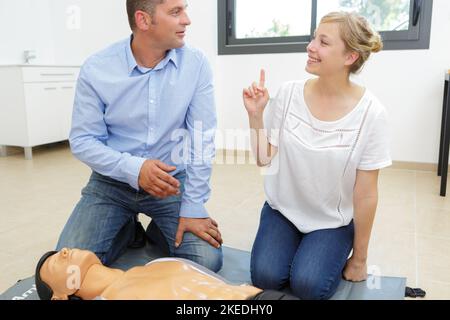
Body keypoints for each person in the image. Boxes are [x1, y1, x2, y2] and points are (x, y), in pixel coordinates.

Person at [56, 0, 222, 272]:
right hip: (112, 183)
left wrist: (192, 207)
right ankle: (127, 228)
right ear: (144, 21)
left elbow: (201, 139)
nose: (187, 20)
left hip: (170, 181)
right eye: (176, 12)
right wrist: (135, 168)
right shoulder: (97, 68)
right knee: (69, 269)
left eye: (185, 9)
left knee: (207, 261)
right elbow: (83, 140)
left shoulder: (196, 64)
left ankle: (159, 229)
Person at [243, 11, 391, 300]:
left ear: (349, 57)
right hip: (282, 210)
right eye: (313, 38)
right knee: (266, 277)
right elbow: (264, 160)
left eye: (323, 42)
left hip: (331, 221)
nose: (311, 46)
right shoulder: (288, 95)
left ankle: (321, 247)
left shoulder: (371, 115)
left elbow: (366, 194)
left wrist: (360, 258)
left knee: (309, 285)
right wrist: (256, 116)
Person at [35, 248, 298, 300]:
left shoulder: (160, 262)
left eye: (61, 250)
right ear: (59, 297)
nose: (66, 251)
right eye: (56, 261)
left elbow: (226, 284)